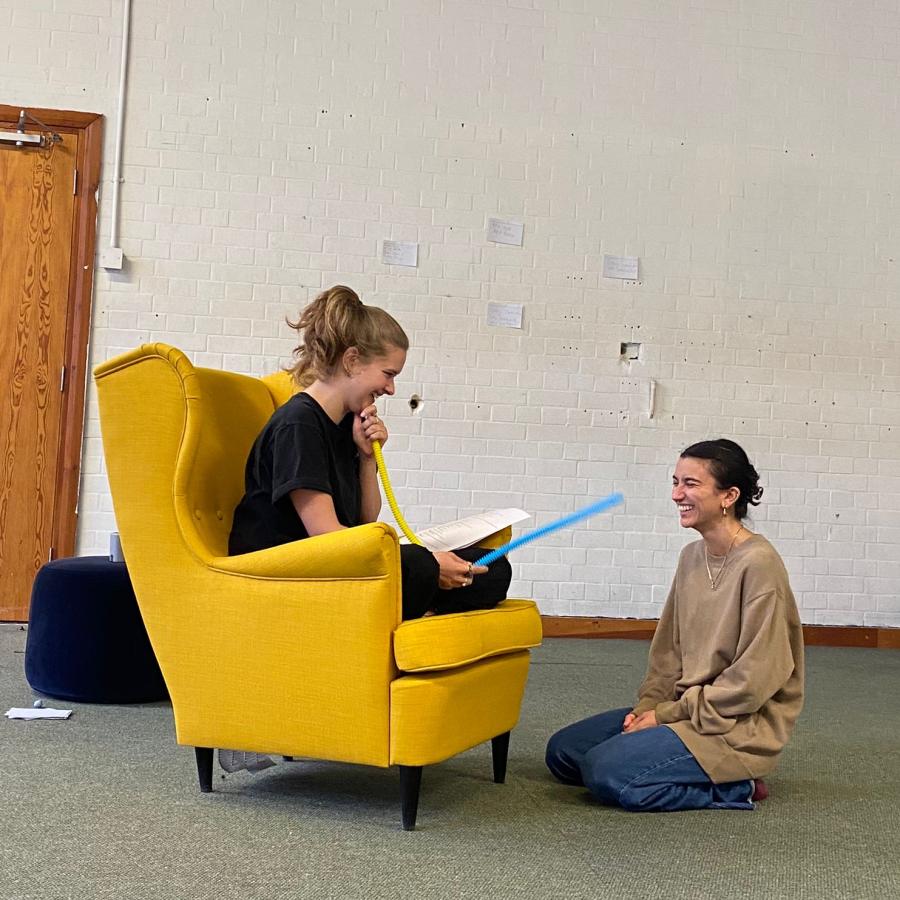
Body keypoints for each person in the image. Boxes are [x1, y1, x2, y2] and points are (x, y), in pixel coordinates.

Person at [545, 438, 804, 811]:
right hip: (683, 709)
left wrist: (665, 716)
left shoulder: (760, 564)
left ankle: (735, 786)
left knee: (607, 775)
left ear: (729, 496)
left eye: (691, 484)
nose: (676, 494)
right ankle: (666, 757)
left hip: (733, 726)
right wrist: (648, 706)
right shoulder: (692, 557)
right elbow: (669, 651)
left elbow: (753, 683)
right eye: (675, 481)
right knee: (564, 754)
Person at [228, 284, 512, 620]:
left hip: (333, 563)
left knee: (491, 567)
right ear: (351, 361)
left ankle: (419, 607)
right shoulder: (299, 424)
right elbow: (326, 536)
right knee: (420, 564)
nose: (390, 389)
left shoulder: (346, 423)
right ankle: (416, 606)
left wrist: (366, 459)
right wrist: (425, 564)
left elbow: (364, 521)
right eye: (388, 374)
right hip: (291, 572)